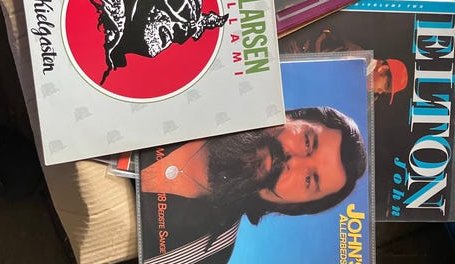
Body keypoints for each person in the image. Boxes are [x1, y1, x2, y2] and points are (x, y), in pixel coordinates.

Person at [139, 106, 367, 264]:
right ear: (289, 116)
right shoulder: (207, 95)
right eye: (307, 142)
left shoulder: (205, 253)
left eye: (309, 179)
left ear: (292, 206)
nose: (293, 161)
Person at [84, 0, 228, 85]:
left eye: (187, 25)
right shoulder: (93, 2)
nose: (180, 27)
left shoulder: (110, 66)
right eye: (178, 2)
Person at [279, 27, 409, 104]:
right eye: (385, 86)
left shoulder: (364, 96)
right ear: (383, 69)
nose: (380, 91)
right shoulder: (356, 56)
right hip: (287, 63)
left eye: (385, 92)